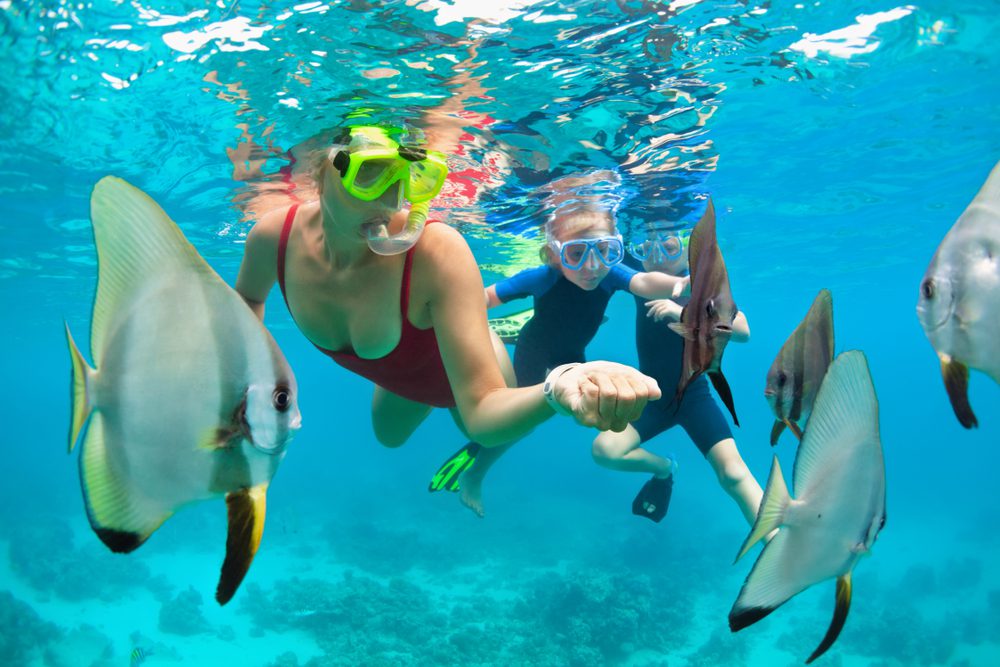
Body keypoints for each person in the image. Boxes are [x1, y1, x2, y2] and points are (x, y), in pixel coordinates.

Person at [234, 124, 661, 516]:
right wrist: (247, 382)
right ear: (320, 174)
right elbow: (249, 299)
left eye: (409, 179)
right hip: (403, 369)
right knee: (388, 436)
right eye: (370, 174)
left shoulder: (435, 251)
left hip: (463, 374)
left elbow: (485, 415)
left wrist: (557, 386)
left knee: (491, 435)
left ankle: (479, 338)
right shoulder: (274, 236)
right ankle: (465, 328)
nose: (391, 201)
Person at [430, 180, 689, 511]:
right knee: (522, 421)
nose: (592, 265)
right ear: (553, 254)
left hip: (572, 355)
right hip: (535, 348)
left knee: (559, 409)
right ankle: (475, 470)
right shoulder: (542, 277)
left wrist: (679, 283)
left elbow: (641, 282)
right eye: (576, 254)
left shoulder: (609, 274)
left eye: (605, 251)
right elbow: (484, 298)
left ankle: (479, 460)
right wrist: (443, 316)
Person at [590, 209, 763, 525]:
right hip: (652, 397)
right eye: (646, 247)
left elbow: (744, 331)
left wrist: (682, 314)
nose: (655, 256)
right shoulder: (639, 274)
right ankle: (663, 468)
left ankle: (777, 542)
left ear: (686, 249)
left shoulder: (703, 284)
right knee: (605, 451)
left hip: (693, 398)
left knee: (733, 473)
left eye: (668, 247)